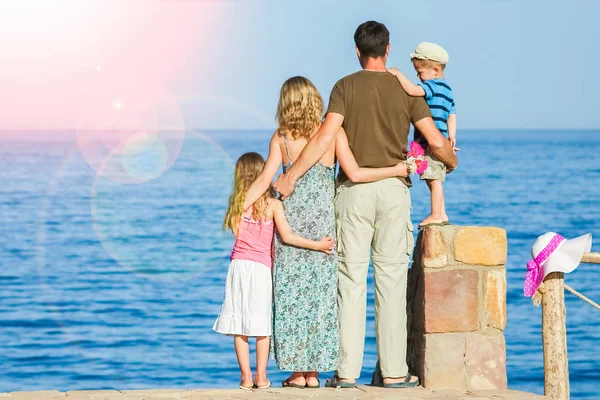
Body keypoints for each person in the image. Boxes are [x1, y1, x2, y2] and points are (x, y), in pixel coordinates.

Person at [273, 21, 458, 389]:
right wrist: (451, 161)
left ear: (357, 52)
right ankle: (393, 373)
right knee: (389, 280)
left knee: (350, 281)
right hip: (393, 189)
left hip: (353, 193)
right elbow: (435, 140)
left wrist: (291, 176)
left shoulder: (344, 86)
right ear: (387, 50)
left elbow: (326, 134)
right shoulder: (406, 89)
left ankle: (345, 374)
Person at [243, 76, 409, 389]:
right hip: (323, 227)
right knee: (320, 299)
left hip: (290, 226)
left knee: (291, 296)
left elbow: (266, 178)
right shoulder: (331, 134)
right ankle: (314, 373)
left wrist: (240, 208)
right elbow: (356, 173)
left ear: (286, 103)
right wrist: (397, 170)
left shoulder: (281, 138)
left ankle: (297, 372)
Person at [213, 152, 335, 391]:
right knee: (261, 325)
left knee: (239, 325)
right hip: (261, 269)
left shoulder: (238, 204)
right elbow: (288, 237)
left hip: (238, 267)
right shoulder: (273, 205)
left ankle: (245, 378)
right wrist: (318, 245)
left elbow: (236, 231)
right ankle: (261, 377)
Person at [388, 41, 457, 228]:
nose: (418, 77)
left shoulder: (432, 86)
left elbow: (412, 90)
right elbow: (452, 114)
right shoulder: (448, 89)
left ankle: (436, 214)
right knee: (432, 179)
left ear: (435, 70)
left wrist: (397, 74)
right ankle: (441, 213)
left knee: (434, 181)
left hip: (430, 141)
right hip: (441, 139)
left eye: (420, 73)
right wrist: (452, 137)